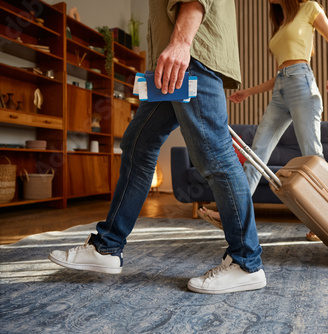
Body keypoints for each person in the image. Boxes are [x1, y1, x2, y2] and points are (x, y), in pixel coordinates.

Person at [48, 0, 267, 295]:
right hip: (170, 65)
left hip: (191, 56)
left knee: (215, 155)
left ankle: (246, 263)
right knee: (138, 145)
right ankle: (107, 248)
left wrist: (181, 42)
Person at [198, 0, 328, 241]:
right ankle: (232, 216)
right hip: (281, 90)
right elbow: (280, 76)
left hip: (302, 85)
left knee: (312, 156)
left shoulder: (310, 8)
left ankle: (325, 221)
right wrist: (248, 92)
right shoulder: (281, 22)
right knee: (256, 154)